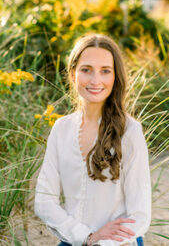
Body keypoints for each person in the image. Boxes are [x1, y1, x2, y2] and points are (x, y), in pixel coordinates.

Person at [34, 33, 151, 246]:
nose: (96, 80)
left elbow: (140, 213)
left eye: (105, 71)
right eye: (86, 70)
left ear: (115, 77)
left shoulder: (130, 132)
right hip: (74, 240)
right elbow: (43, 201)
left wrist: (101, 242)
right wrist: (86, 237)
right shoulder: (61, 129)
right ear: (72, 74)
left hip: (119, 243)